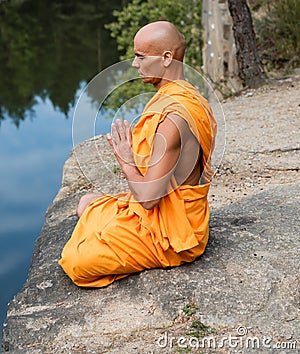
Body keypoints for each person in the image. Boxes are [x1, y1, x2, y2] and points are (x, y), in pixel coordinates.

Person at [59, 21, 217, 287]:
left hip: (174, 233)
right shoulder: (190, 95)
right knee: (87, 202)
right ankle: (113, 232)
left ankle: (120, 238)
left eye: (141, 56)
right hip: (167, 207)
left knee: (76, 262)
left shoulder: (174, 119)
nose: (134, 64)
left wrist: (126, 157)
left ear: (167, 58)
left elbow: (148, 199)